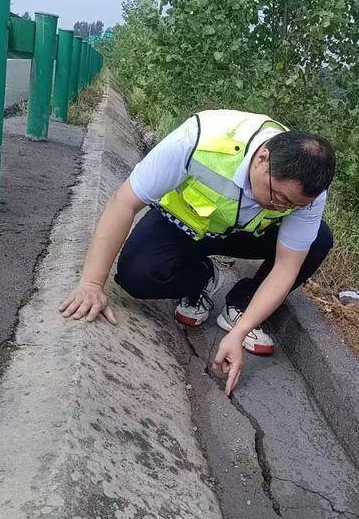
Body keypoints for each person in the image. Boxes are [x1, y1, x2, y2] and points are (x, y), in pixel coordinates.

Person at [59, 109, 336, 395]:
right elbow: (124, 202)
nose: (280, 207)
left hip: (246, 235)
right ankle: (201, 277)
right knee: (136, 274)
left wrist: (239, 333)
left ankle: (242, 306)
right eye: (277, 196)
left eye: (291, 205)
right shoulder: (199, 139)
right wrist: (91, 284)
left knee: (318, 240)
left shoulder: (306, 193)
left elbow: (286, 267)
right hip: (187, 225)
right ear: (263, 159)